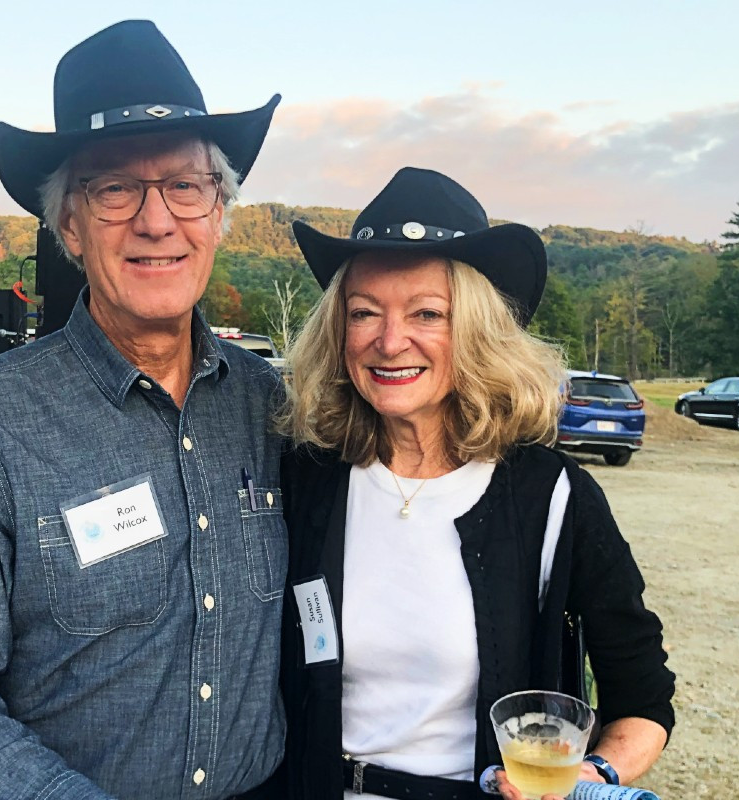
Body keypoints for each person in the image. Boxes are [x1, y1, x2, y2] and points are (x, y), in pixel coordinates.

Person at [0, 20, 286, 800]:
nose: (156, 219)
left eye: (185, 185)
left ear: (220, 212)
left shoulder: (270, 406)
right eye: (114, 188)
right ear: (68, 224)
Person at [276, 168, 675, 800]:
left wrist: (589, 777)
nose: (389, 340)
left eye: (427, 313)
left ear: (479, 332)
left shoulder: (552, 496)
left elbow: (644, 700)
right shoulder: (304, 477)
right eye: (364, 312)